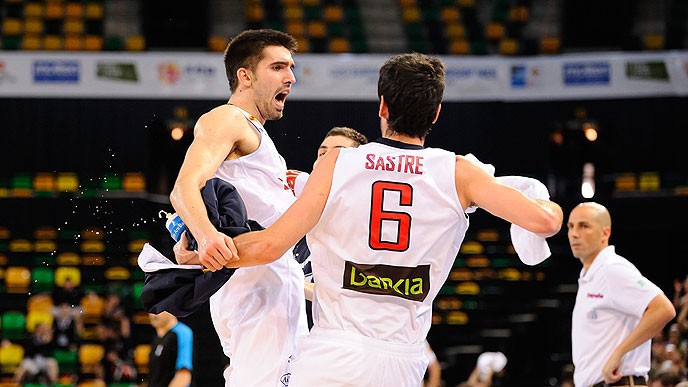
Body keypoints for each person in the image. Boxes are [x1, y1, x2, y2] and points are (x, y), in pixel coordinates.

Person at [223, 52, 563, 386]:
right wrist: (552, 207)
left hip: (334, 352)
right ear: (436, 114)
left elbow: (269, 245)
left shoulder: (337, 163)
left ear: (383, 106)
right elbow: (545, 223)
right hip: (402, 361)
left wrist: (207, 251)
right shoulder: (459, 174)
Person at [168, 29, 307, 386]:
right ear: (245, 76)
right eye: (278, 67)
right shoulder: (227, 119)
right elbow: (184, 188)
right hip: (256, 288)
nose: (290, 77)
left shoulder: (258, 133)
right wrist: (206, 236)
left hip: (271, 282)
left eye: (291, 67)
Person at [567, 202, 676, 387]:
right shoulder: (590, 276)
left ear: (605, 233)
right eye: (571, 226)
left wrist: (619, 353)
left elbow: (663, 309)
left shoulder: (611, 269)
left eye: (584, 226)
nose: (574, 233)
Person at [146, 311, 193, 387]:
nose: (153, 314)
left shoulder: (182, 333)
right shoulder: (157, 339)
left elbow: (184, 376)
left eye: (158, 309)